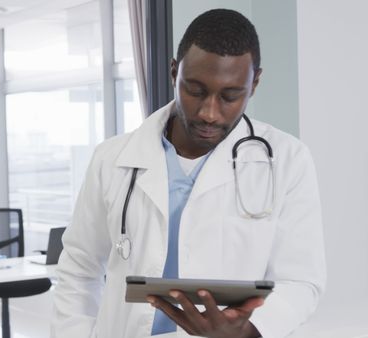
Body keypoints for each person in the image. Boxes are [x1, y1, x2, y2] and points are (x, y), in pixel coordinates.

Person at [52, 9, 325, 338]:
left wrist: (249, 331)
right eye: (195, 90)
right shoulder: (112, 158)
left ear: (254, 83)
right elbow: (79, 267)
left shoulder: (288, 160)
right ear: (173, 72)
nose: (209, 112)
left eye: (230, 96)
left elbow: (301, 281)